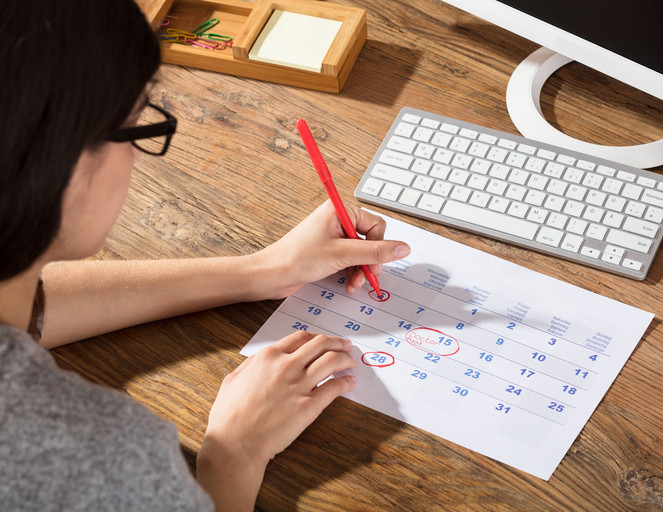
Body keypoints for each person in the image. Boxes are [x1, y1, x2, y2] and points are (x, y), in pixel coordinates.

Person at [0, 1, 410, 510]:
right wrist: (235, 453)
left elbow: (26, 302)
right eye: (136, 124)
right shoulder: (98, 455)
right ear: (55, 164)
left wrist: (264, 271)